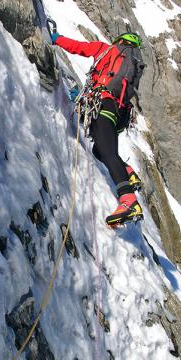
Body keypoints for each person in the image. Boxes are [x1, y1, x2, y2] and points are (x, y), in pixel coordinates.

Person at [51, 31, 144, 226]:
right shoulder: (133, 62)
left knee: (108, 153)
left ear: (119, 41)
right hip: (119, 112)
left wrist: (57, 39)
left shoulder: (106, 49)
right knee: (100, 151)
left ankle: (129, 201)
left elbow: (80, 47)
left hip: (104, 103)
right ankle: (127, 173)